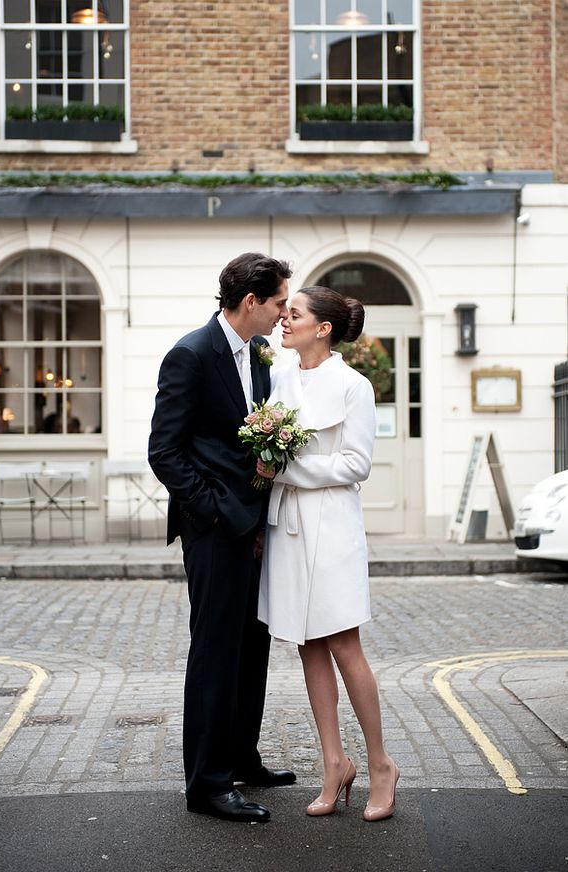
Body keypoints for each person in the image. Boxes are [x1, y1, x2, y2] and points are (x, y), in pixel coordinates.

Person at [148, 252, 295, 823]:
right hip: (212, 530)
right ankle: (207, 784)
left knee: (251, 644)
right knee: (214, 651)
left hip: (255, 526)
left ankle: (241, 756)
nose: (285, 312)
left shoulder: (257, 356)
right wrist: (211, 511)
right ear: (252, 301)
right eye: (281, 302)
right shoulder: (190, 354)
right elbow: (165, 450)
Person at [257, 286, 399, 822]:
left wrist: (288, 469)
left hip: (334, 525)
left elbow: (355, 465)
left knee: (343, 641)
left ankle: (381, 764)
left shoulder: (354, 386)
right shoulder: (278, 378)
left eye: (294, 314)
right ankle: (333, 763)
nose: (283, 320)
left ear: (323, 328)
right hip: (287, 525)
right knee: (306, 644)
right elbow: (266, 448)